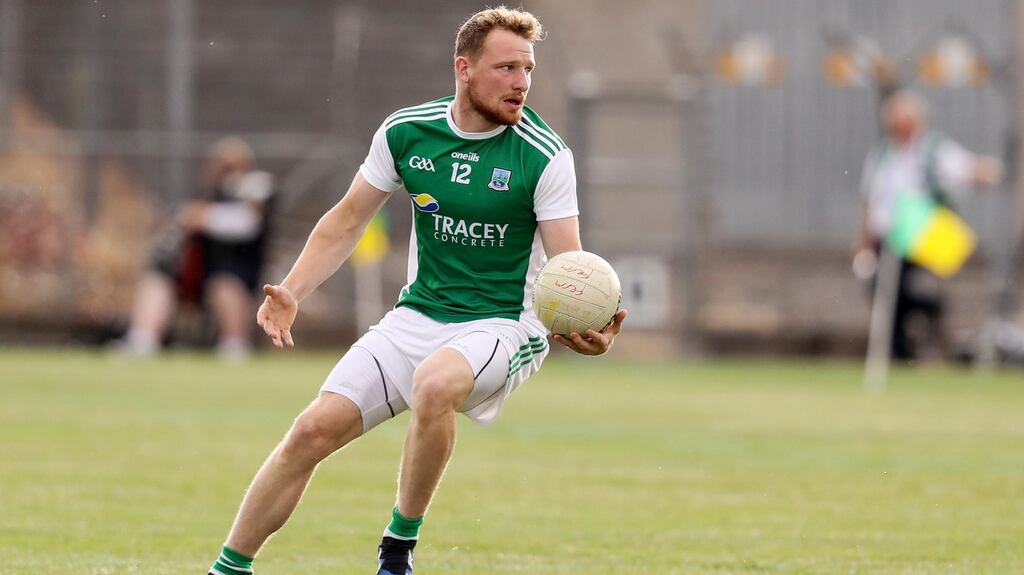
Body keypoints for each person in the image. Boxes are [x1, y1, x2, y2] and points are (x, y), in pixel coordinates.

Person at [204, 7, 626, 575]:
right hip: (417, 316)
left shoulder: (544, 155)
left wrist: (584, 326)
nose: (521, 82)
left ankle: (397, 549)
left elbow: (567, 267)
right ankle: (228, 569)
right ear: (464, 69)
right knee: (309, 432)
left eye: (527, 69)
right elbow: (347, 220)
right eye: (505, 68)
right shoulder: (406, 132)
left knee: (434, 384)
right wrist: (293, 291)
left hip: (502, 324)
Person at [855, 89, 1002, 360]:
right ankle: (901, 346)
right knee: (882, 291)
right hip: (887, 241)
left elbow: (966, 169)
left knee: (897, 289)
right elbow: (869, 204)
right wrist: (863, 247)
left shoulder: (934, 151)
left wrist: (986, 171)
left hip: (921, 238)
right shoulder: (880, 156)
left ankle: (927, 316)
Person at [121, 136, 274, 361]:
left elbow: (246, 222)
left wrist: (204, 217)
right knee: (157, 281)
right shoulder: (206, 195)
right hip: (196, 275)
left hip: (236, 277)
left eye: (230, 166)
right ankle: (142, 340)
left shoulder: (255, 192)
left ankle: (234, 345)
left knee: (224, 286)